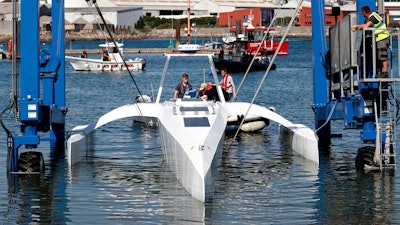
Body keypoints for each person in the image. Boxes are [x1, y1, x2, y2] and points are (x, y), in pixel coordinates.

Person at [351, 6, 390, 78]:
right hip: (379, 38)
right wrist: (358, 27)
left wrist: (356, 26)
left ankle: (385, 72)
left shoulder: (373, 17)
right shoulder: (371, 17)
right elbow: (365, 25)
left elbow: (366, 26)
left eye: (362, 13)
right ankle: (383, 72)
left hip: (382, 37)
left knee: (382, 55)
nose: (362, 15)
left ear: (365, 12)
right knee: (380, 55)